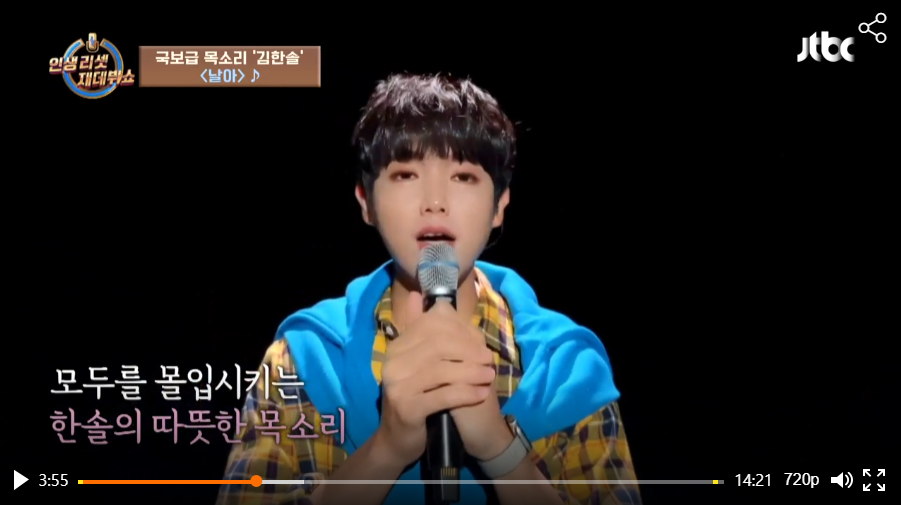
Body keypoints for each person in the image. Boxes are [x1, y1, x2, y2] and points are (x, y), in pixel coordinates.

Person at [215, 74, 641, 505]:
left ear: (500, 204)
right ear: (366, 202)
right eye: (405, 174)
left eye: (463, 177)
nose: (434, 202)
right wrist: (387, 448)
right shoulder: (304, 358)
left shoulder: (568, 367)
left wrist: (500, 450)